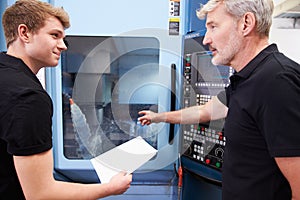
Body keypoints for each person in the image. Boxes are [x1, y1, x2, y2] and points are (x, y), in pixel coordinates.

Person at [139, 0, 300, 199]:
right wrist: (160, 117)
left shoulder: (276, 81)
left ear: (246, 23)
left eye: (213, 27)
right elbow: (206, 111)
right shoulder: (245, 78)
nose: (206, 39)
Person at [0, 0, 132, 199]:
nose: (62, 46)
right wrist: (111, 188)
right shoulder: (28, 97)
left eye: (63, 38)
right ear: (24, 33)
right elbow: (41, 194)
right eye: (55, 35)